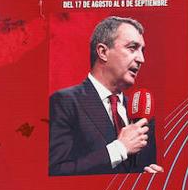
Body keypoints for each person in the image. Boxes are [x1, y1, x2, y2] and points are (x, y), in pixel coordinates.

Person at [48, 16, 164, 176]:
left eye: (142, 51)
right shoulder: (64, 102)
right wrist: (119, 149)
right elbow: (55, 171)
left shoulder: (142, 114)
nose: (141, 59)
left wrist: (150, 177)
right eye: (132, 48)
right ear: (103, 52)